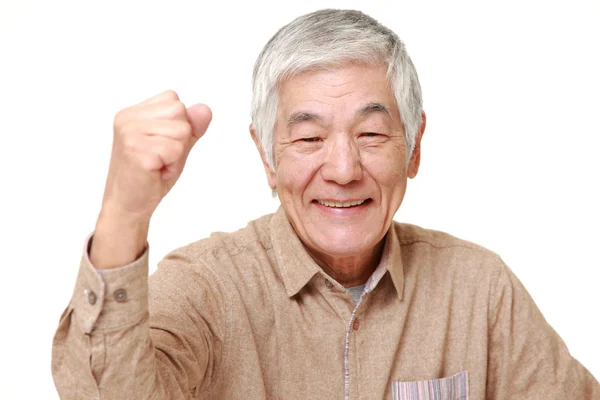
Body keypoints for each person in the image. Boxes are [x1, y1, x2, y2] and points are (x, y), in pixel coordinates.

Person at [51, 8, 599, 400]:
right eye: (309, 139)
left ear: (415, 145)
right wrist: (124, 214)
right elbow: (97, 393)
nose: (342, 169)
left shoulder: (478, 287)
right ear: (267, 156)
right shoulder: (207, 287)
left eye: (372, 134)